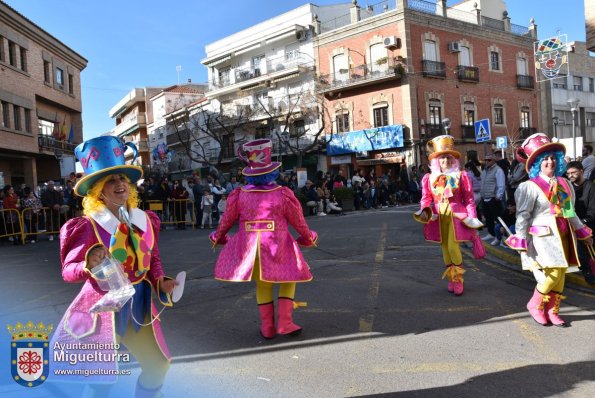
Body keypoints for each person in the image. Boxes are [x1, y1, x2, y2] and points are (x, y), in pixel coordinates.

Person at [49, 136, 177, 396]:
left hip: (139, 306)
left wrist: (160, 279)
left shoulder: (144, 220)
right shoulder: (87, 226)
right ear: (98, 190)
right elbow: (68, 271)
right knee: (102, 379)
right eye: (111, 180)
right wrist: (87, 267)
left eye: (123, 179)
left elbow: (152, 259)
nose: (120, 184)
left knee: (158, 365)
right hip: (101, 310)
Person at [210, 138, 317, 339]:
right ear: (272, 171)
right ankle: (285, 323)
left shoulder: (239, 195)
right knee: (289, 280)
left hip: (251, 249)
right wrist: (308, 236)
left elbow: (226, 220)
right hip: (279, 245)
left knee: (263, 285)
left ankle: (267, 327)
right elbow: (298, 221)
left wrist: (219, 236)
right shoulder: (283, 194)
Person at [505, 133, 592, 326]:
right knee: (552, 273)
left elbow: (570, 212)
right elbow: (523, 216)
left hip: (563, 233)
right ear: (537, 163)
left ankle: (553, 311)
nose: (550, 162)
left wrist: (581, 231)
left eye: (553, 157)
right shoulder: (529, 187)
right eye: (545, 159)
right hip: (542, 236)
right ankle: (535, 304)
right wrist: (520, 239)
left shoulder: (565, 183)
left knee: (561, 273)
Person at [413, 135, 485, 296]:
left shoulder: (461, 176)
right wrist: (426, 211)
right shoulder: (429, 178)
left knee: (453, 247)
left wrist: (472, 218)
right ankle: (452, 279)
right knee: (445, 248)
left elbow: (469, 199)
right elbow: (426, 199)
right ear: (436, 161)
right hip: (439, 217)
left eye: (448, 157)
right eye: (441, 158)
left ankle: (459, 280)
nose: (445, 160)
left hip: (456, 217)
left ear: (453, 160)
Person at [566, 161, 595, 284]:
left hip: (589, 224)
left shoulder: (591, 187)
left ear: (582, 172)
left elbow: (593, 211)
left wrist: (582, 223)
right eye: (568, 173)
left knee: (587, 253)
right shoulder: (568, 187)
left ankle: (589, 274)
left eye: (574, 173)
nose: (570, 176)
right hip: (574, 225)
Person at [480, 153, 506, 242]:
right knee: (488, 218)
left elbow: (501, 184)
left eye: (489, 160)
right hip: (485, 197)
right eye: (485, 160)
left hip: (493, 198)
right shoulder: (484, 171)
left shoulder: (498, 170)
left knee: (498, 218)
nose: (487, 162)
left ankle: (499, 237)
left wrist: (498, 196)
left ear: (494, 161)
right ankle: (491, 234)